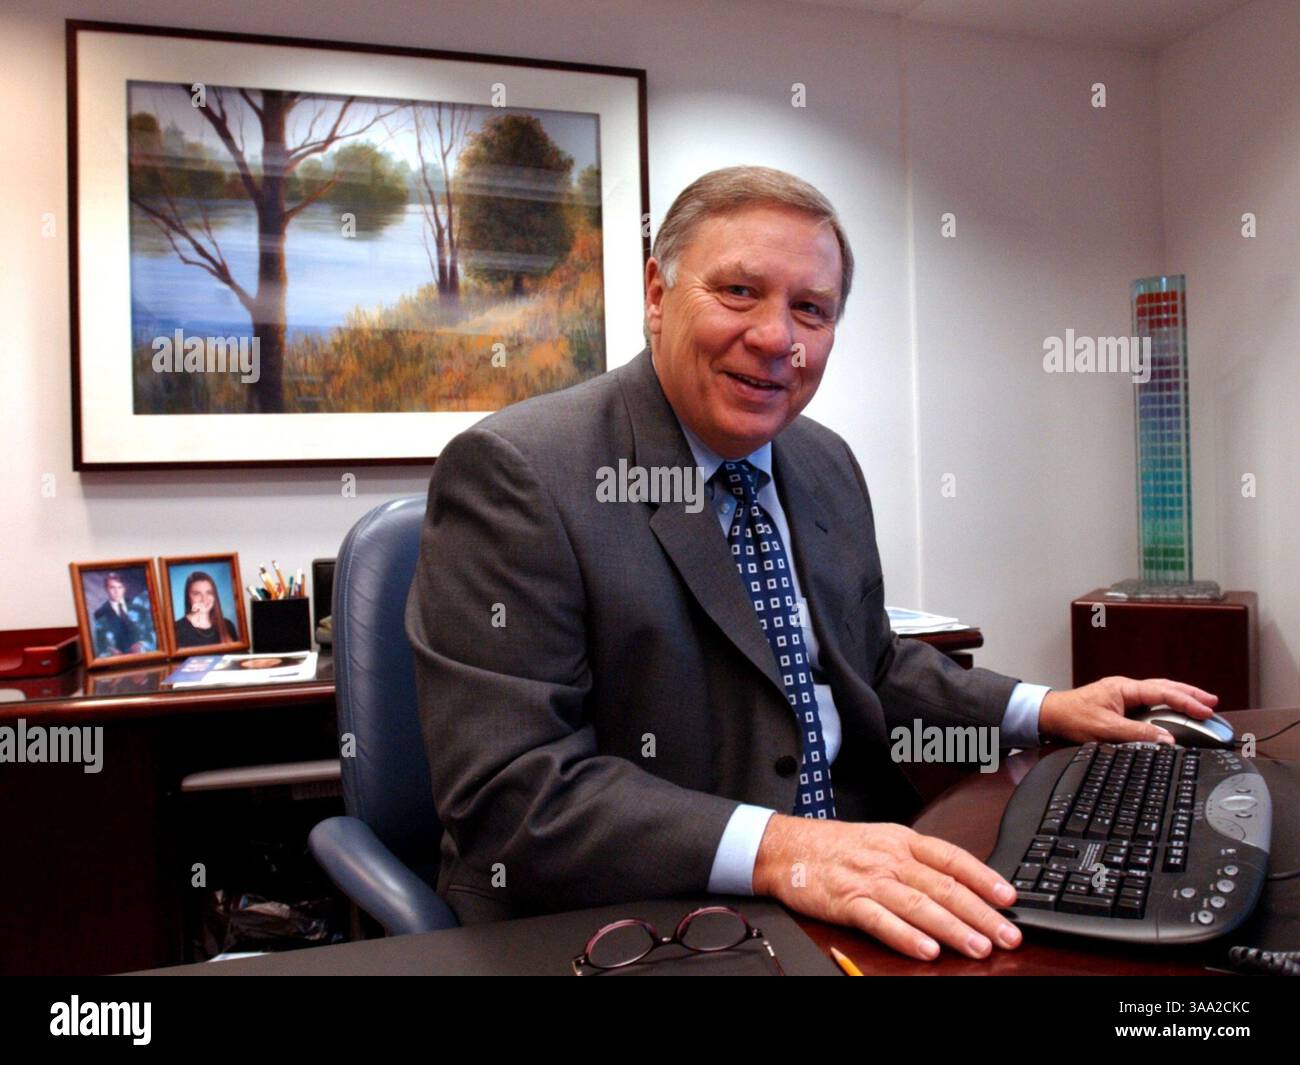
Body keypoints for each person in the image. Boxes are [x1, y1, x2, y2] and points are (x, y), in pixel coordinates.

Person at [404, 166, 1219, 961]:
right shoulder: (519, 471)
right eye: (738, 292)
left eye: (811, 309)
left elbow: (870, 660)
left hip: (857, 876)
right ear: (656, 295)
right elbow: (512, 791)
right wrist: (790, 850)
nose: (775, 339)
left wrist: (1046, 708)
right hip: (638, 918)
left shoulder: (821, 461)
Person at [92, 571, 152, 656]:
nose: (116, 591)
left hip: (142, 656)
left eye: (120, 587)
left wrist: (142, 645)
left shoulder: (138, 607)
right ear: (106, 589)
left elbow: (149, 633)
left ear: (124, 589)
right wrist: (110, 652)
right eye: (112, 588)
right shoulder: (100, 613)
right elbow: (101, 645)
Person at [172, 571, 237, 648]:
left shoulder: (228, 626)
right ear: (188, 598)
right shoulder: (177, 629)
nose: (204, 599)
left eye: (209, 592)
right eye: (197, 593)